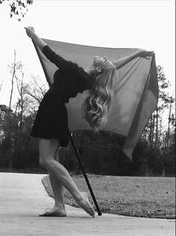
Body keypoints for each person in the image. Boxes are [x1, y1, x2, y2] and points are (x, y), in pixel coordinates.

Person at [25, 26, 153, 218]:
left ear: (100, 68)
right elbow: (113, 66)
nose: (103, 57)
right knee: (54, 160)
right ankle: (59, 205)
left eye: (105, 59)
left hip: (52, 109)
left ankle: (79, 195)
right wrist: (136, 54)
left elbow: (51, 55)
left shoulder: (77, 72)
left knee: (46, 160)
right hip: (55, 109)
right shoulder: (87, 78)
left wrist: (33, 35)